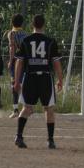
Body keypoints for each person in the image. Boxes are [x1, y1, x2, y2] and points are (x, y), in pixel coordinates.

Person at [12, 14, 63, 149]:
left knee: (27, 108)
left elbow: (19, 62)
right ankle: (50, 140)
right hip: (45, 78)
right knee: (49, 109)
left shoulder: (26, 41)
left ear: (32, 25)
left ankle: (19, 136)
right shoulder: (50, 41)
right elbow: (56, 63)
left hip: (30, 77)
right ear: (44, 25)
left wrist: (16, 81)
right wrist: (60, 79)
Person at [7, 14, 28, 118]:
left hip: (16, 60)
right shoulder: (26, 34)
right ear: (22, 23)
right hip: (25, 60)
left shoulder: (11, 33)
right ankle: (26, 107)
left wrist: (10, 61)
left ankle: (15, 109)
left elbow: (12, 48)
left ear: (12, 22)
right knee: (24, 84)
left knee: (14, 84)